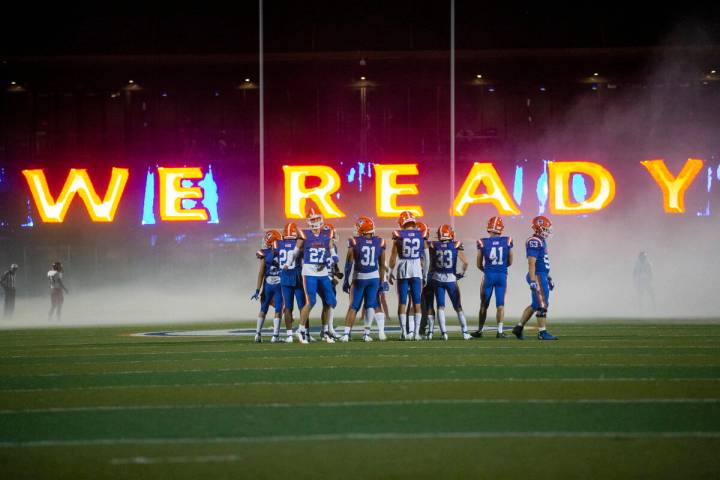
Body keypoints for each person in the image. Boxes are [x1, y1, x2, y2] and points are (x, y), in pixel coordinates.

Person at [285, 207, 340, 343]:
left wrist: (333, 256)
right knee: (311, 302)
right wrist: (288, 262)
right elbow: (295, 251)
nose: (316, 221)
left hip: (322, 271)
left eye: (317, 218)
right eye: (313, 219)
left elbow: (331, 247)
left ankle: (326, 331)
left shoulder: (328, 233)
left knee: (330, 301)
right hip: (309, 271)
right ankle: (301, 330)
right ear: (309, 221)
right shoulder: (304, 234)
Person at [512, 216, 558, 340]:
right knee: (543, 303)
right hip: (537, 275)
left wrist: (548, 277)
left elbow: (542, 262)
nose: (548, 231)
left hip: (541, 274)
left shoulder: (541, 240)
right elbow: (531, 263)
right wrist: (533, 281)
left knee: (536, 304)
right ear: (540, 228)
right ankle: (542, 333)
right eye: (546, 228)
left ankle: (518, 328)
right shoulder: (534, 240)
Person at [340, 216, 385, 342]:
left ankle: (346, 334)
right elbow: (382, 265)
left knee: (353, 306)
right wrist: (382, 281)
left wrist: (345, 280)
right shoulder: (379, 241)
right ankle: (366, 334)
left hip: (359, 277)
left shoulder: (354, 241)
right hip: (374, 278)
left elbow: (349, 263)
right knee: (369, 306)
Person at [388, 211, 429, 341]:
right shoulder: (421, 233)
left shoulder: (398, 234)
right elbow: (426, 257)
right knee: (417, 302)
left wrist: (389, 272)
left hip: (402, 269)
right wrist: (425, 273)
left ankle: (404, 332)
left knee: (402, 302)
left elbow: (393, 256)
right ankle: (416, 333)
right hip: (416, 269)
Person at [473, 216, 513, 338]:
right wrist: (500, 269)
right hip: (501, 275)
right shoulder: (508, 240)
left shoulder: (482, 242)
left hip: (489, 276)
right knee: (500, 304)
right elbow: (510, 261)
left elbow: (478, 263)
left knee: (484, 304)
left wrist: (487, 271)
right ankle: (500, 331)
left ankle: (480, 330)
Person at [429, 225, 470, 340]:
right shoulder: (455, 245)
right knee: (458, 307)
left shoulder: (434, 245)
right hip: (451, 279)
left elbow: (431, 262)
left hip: (437, 278)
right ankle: (465, 332)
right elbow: (466, 263)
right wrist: (461, 274)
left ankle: (444, 334)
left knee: (440, 306)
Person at [251, 230, 283, 343]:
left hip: (268, 284)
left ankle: (257, 334)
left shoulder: (264, 253)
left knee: (263, 309)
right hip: (279, 284)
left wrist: (257, 290)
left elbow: (261, 272)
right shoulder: (283, 251)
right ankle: (275, 336)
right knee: (278, 309)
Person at [275, 222, 305, 343]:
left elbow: (273, 257)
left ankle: (289, 335)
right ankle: (305, 333)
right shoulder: (298, 244)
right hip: (297, 276)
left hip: (285, 277)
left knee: (288, 307)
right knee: (303, 307)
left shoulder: (278, 244)